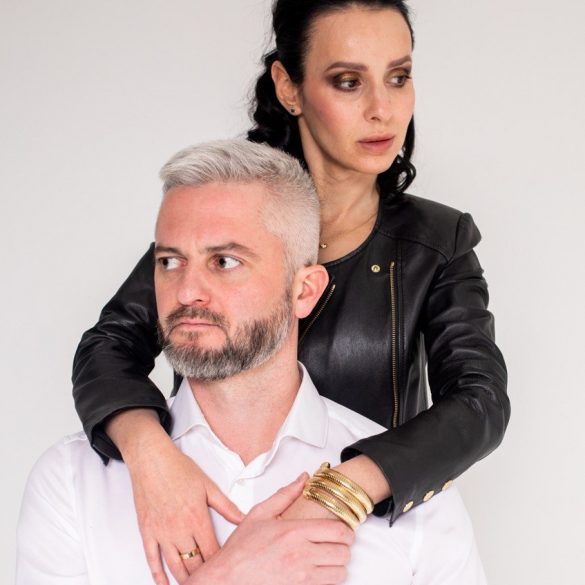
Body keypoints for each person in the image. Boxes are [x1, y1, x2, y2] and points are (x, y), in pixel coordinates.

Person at [72, 1, 510, 584]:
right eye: (348, 81)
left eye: (398, 77)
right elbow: (108, 347)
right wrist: (152, 459)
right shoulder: (228, 213)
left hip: (363, 546)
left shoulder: (438, 241)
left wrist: (343, 492)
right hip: (212, 523)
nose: (382, 109)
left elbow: (480, 402)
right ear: (289, 87)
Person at [18, 140, 486, 585]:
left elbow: (480, 397)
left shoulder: (417, 501)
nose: (186, 292)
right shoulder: (71, 481)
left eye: (224, 262)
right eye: (169, 262)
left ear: (304, 290)